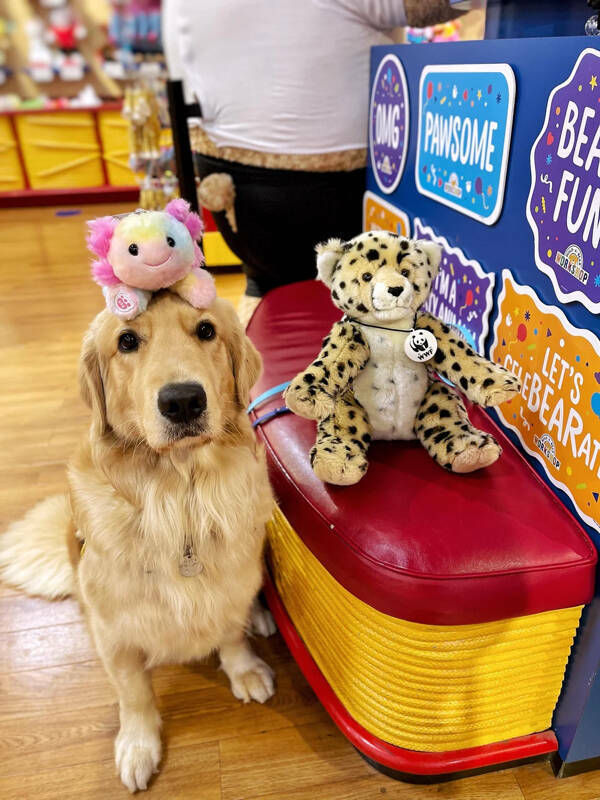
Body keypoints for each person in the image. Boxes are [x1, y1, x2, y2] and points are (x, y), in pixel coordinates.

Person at [163, 0, 464, 319]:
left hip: (227, 187)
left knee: (268, 279)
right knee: (363, 287)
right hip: (333, 193)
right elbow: (428, 7)